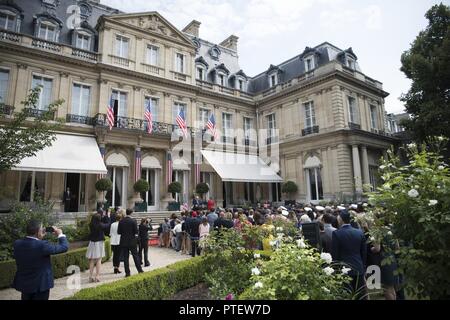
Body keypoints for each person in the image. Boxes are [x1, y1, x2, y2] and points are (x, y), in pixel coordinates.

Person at [13, 220, 68, 300]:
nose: (43, 230)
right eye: (42, 228)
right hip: (40, 286)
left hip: (25, 285)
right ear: (38, 231)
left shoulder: (17, 243)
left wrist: (40, 237)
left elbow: (33, 248)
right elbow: (64, 247)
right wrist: (60, 234)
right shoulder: (42, 245)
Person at [331, 210, 367, 300]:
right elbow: (364, 252)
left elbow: (335, 254)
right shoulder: (359, 232)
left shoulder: (337, 233)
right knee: (360, 295)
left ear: (341, 220)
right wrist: (363, 265)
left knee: (346, 295)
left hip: (344, 269)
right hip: (358, 267)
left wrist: (336, 269)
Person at [118, 209, 144, 277]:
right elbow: (136, 232)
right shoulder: (133, 221)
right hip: (132, 241)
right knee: (135, 256)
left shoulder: (121, 221)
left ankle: (127, 273)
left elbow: (119, 232)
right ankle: (140, 270)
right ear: (131, 213)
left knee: (126, 258)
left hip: (124, 241)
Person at [86, 212, 110, 282]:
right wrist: (107, 217)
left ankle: (90, 277)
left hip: (92, 242)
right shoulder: (100, 225)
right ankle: (97, 276)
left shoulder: (91, 224)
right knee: (99, 259)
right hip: (99, 243)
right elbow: (107, 225)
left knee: (92, 260)